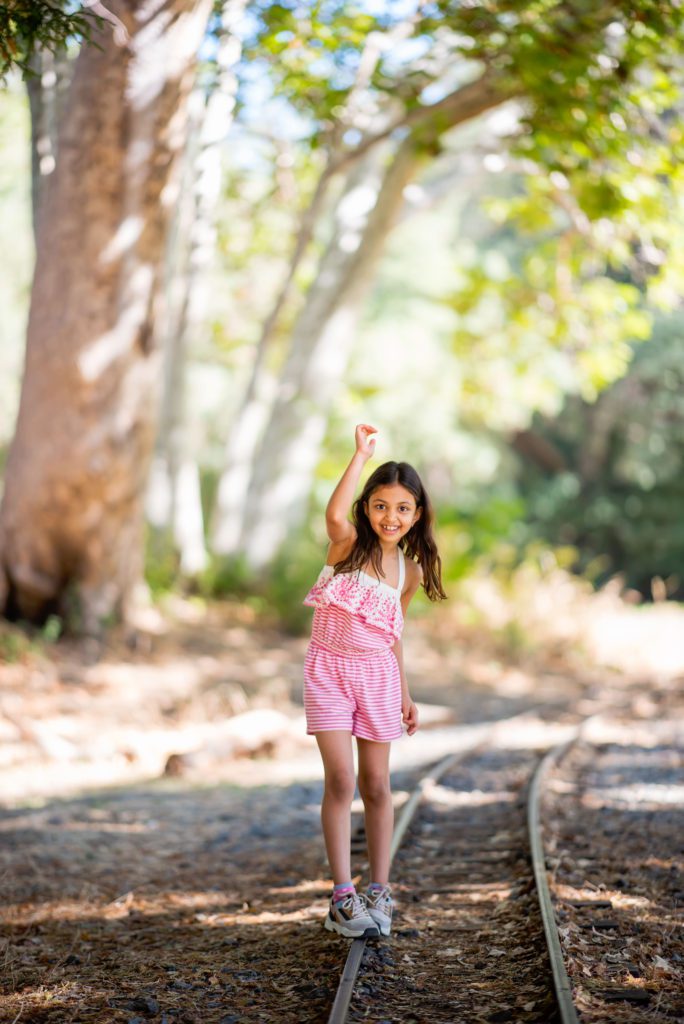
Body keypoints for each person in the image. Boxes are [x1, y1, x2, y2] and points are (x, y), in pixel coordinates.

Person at [303, 423, 447, 939]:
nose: (391, 517)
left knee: (378, 785)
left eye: (403, 508)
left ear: (417, 514)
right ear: (369, 508)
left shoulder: (407, 573)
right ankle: (343, 895)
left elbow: (393, 633)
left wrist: (405, 693)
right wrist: (360, 456)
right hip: (329, 671)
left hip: (379, 678)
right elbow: (333, 513)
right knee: (341, 781)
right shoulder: (347, 546)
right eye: (381, 505)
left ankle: (379, 890)